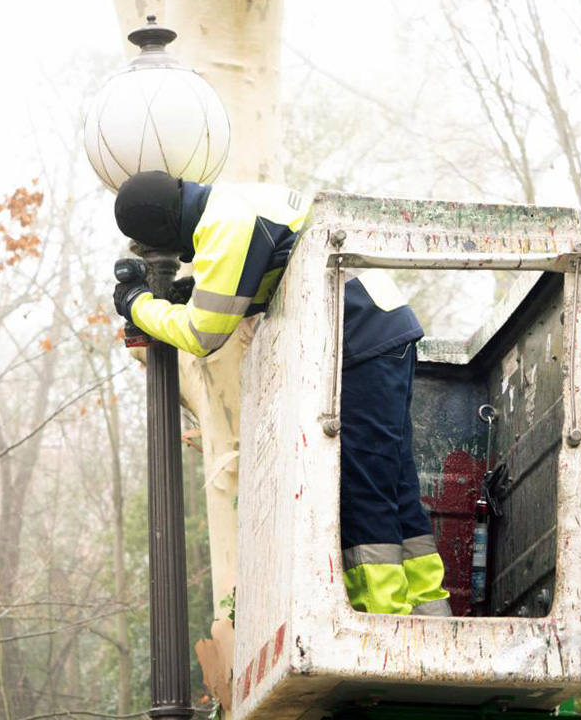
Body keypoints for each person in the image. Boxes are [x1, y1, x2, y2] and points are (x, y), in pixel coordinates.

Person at [111, 170, 450, 616]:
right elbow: (275, 269)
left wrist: (139, 302)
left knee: (362, 486)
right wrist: (192, 291)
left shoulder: (224, 227)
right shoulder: (235, 201)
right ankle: (428, 615)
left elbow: (202, 334)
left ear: (159, 228)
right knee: (394, 480)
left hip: (356, 337)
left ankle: (384, 622)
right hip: (380, 326)